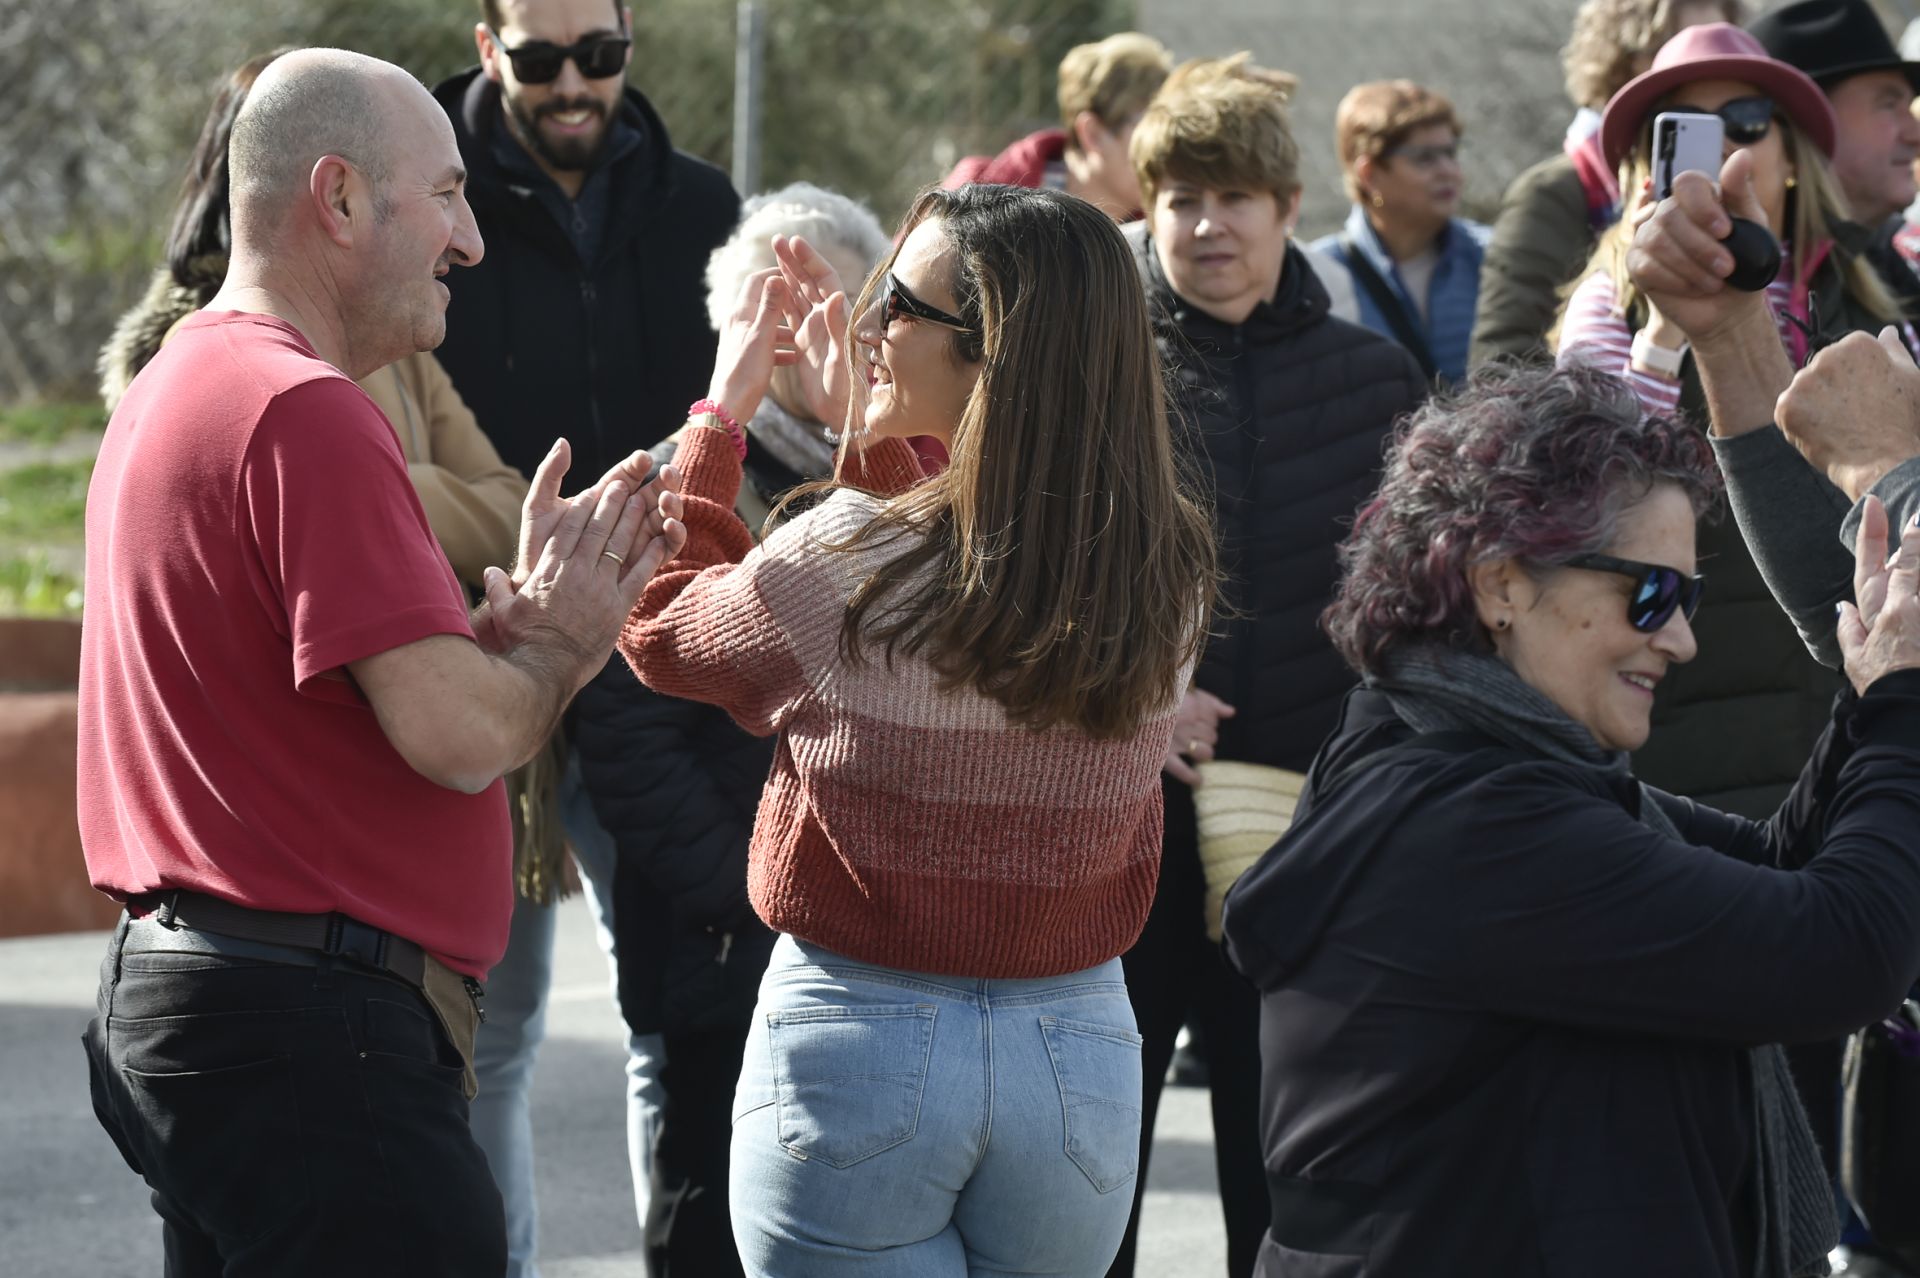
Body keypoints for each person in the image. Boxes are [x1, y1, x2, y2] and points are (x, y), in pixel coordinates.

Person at [76, 48, 686, 1277]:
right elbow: (460, 736)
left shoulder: (183, 377)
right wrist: (565, 642)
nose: (470, 239)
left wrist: (498, 650)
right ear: (340, 198)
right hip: (310, 1045)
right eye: (449, 194)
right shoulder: (303, 408)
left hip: (224, 1018)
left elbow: (326, 701)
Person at [621, 181, 1218, 1276]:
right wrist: (876, 430)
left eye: (897, 302)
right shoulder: (1163, 570)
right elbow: (968, 583)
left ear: (994, 358)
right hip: (1078, 1059)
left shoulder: (847, 562)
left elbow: (661, 630)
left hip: (864, 1038)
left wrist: (717, 418)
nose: (864, 326)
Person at [1219, 358, 1920, 1278]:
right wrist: (1904, 698)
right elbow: (1840, 953)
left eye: (1689, 597)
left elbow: (1784, 878)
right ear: (1501, 583)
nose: (1681, 638)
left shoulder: (1467, 763)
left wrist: (1875, 690)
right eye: (1651, 594)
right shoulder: (1468, 824)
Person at [429, 1, 741, 1267]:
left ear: (630, 49)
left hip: (656, 664)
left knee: (670, 1014)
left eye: (599, 56)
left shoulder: (699, 202)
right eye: (543, 57)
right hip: (478, 639)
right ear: (489, 44)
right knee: (488, 1034)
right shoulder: (430, 194)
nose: (574, 85)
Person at [1116, 54, 1429, 1278]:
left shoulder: (1376, 382)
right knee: (1099, 1169)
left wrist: (1362, 773)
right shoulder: (1094, 371)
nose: (1207, 225)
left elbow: (1415, 610)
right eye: (1181, 197)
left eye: (1234, 196)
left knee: (1288, 1174)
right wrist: (1134, 690)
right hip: (1122, 815)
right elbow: (1035, 565)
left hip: (1309, 833)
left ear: (1290, 209)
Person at [569, 180, 889, 1277]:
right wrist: (736, 880)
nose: (803, 330)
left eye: (829, 301)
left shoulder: (915, 480)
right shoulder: (673, 484)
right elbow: (623, 719)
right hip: (723, 928)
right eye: (773, 302)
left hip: (875, 925)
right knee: (709, 1207)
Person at [1555, 22, 1912, 816]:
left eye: (1749, 120)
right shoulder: (1608, 308)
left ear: (1790, 160)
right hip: (1682, 713)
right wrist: (1666, 339)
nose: (1725, 147)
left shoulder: (1883, 295)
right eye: (1688, 127)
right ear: (1650, 163)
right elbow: (1585, 512)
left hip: (1852, 707)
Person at [96, 50, 525, 590]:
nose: (470, 245)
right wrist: (359, 477)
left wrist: (369, 485)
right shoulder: (218, 366)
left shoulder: (389, 335)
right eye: (441, 194)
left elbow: (511, 513)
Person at [1469, 0, 1744, 369]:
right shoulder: (1553, 194)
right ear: (1620, 60)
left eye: (1716, 47)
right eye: (1670, 45)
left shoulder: (1744, 183)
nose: (1695, 63)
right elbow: (1502, 363)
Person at [1310, 79, 1490, 384]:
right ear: (1369, 174)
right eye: (1425, 158)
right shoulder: (1318, 277)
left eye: (1451, 153)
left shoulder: (1493, 257)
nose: (1448, 171)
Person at [1751, 0, 1920, 314]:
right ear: (1810, 121)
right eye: (1888, 103)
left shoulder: (1894, 271)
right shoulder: (1743, 291)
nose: (1916, 134)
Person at [941, 31, 1172, 222]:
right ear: (1093, 134)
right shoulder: (970, 200)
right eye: (1152, 131)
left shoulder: (1162, 237)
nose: (1168, 150)